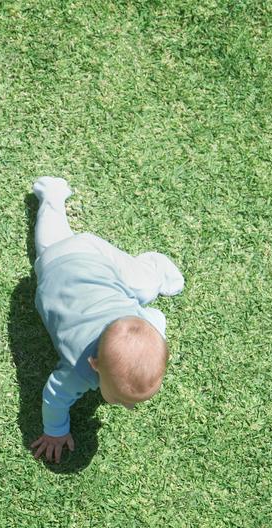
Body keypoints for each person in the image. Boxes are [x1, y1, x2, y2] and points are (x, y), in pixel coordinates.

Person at [30, 177, 184, 463]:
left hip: (65, 261)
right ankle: (156, 266)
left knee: (52, 236)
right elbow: (54, 397)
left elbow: (156, 317)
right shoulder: (77, 372)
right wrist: (55, 431)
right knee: (146, 287)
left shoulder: (147, 324)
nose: (125, 406)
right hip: (61, 265)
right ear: (94, 365)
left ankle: (52, 195)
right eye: (120, 399)